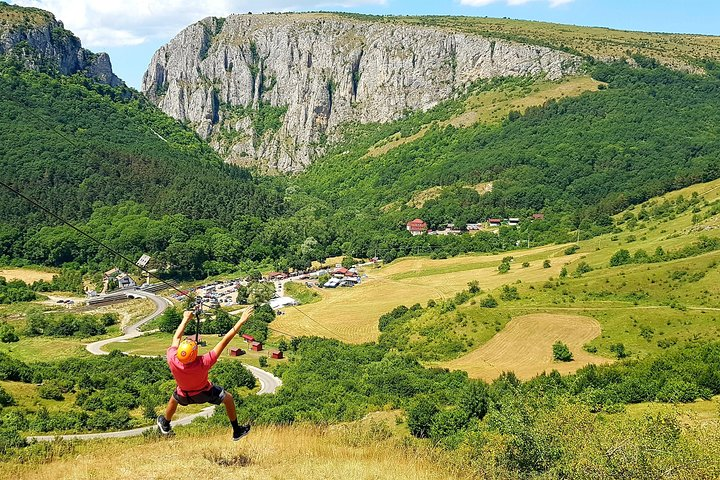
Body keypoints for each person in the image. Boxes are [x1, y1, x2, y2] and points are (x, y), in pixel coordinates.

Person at [156, 306, 254, 440]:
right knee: (228, 398)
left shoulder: (172, 358)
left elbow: (176, 337)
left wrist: (185, 319)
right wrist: (241, 321)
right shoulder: (204, 362)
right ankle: (236, 430)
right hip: (204, 393)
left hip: (184, 394)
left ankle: (165, 423)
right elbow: (225, 340)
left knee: (174, 398)